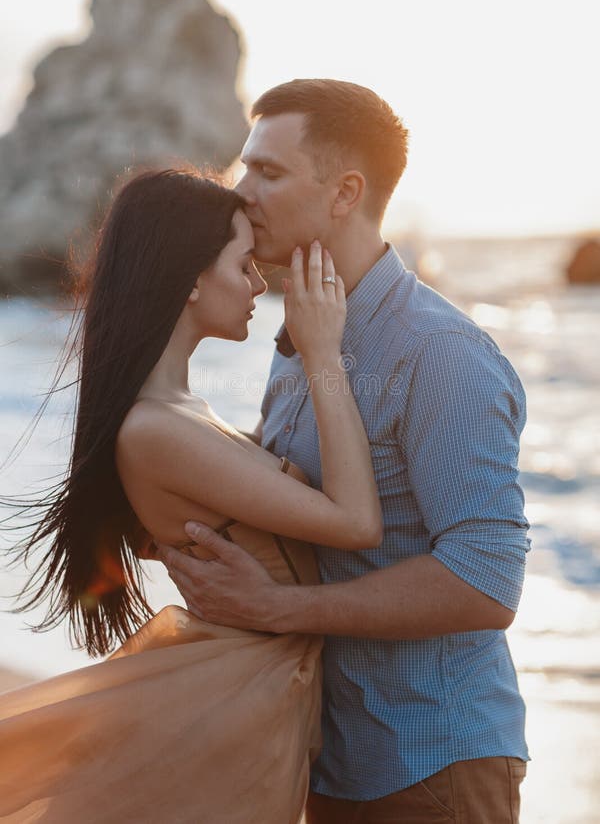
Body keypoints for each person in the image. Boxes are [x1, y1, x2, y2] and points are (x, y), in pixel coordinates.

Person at [161, 79, 531, 823]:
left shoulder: (441, 354)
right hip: (329, 755)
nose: (242, 193)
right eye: (243, 168)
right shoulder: (303, 331)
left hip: (433, 761)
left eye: (268, 171)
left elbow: (487, 580)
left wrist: (282, 609)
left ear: (345, 192)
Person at [0, 167, 384, 823]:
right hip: (231, 706)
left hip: (250, 695)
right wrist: (322, 351)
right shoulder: (157, 430)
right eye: (244, 265)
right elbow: (355, 522)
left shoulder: (184, 412)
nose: (261, 284)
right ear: (192, 279)